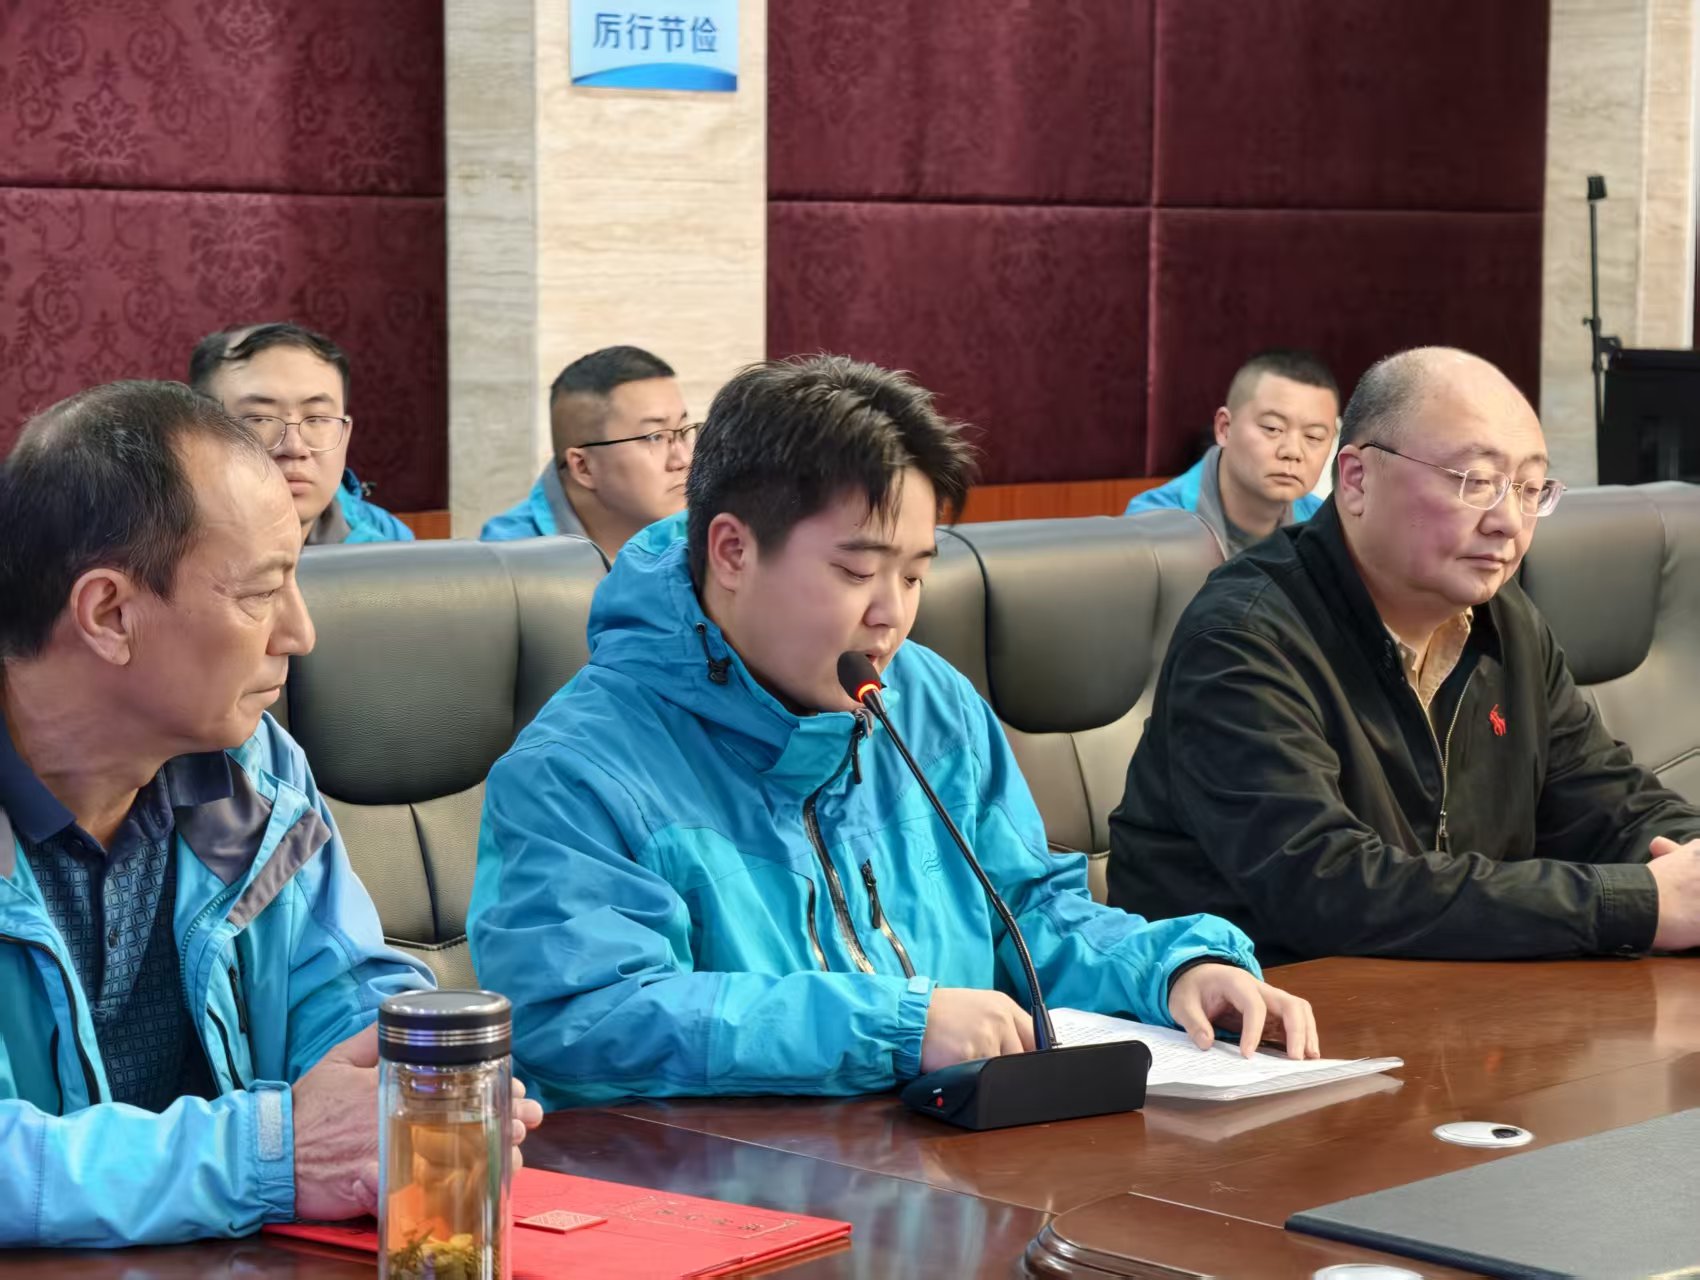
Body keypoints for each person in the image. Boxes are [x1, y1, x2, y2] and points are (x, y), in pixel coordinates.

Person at [468, 355, 1319, 1110]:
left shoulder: (928, 700)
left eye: (913, 576)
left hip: (951, 1165)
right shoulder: (576, 768)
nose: (891, 616)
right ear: (731, 552)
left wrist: (1173, 968)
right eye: (856, 571)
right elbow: (586, 1018)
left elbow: (1027, 912)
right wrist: (895, 1027)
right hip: (722, 1188)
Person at [0, 381, 538, 1247]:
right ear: (109, 613)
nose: (300, 633)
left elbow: (343, 992)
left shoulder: (253, 771)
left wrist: (410, 1091)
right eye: (261, 593)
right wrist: (271, 1155)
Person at [1109, 347, 1700, 965]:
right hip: (1268, 1006)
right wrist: (1633, 903)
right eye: (1477, 481)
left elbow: (1610, 804)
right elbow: (1330, 888)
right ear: (1357, 479)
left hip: (1458, 996)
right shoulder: (1245, 636)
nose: (1508, 521)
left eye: (1529, 488)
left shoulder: (1507, 621)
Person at [189, 322, 415, 547]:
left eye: (317, 418)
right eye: (260, 418)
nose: (295, 448)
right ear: (198, 436)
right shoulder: (169, 550)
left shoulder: (391, 543)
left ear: (345, 435)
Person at [480, 345, 692, 559]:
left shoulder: (702, 532)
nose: (683, 459)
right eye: (654, 437)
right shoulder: (511, 560)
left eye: (683, 431)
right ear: (583, 467)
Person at [1126, 349, 1339, 557]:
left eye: (1314, 437)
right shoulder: (1152, 529)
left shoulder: (1328, 527)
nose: (1292, 451)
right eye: (1273, 428)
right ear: (1225, 428)